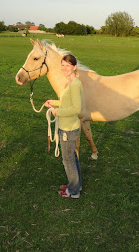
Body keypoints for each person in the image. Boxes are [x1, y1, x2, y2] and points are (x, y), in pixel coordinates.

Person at [44, 54, 83, 199]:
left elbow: (76, 109)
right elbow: (67, 102)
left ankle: (73, 191)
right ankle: (76, 184)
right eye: (62, 65)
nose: (64, 68)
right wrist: (54, 102)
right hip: (67, 127)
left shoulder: (74, 84)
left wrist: (57, 112)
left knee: (68, 160)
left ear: (74, 67)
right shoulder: (69, 82)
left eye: (68, 65)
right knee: (72, 157)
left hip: (69, 129)